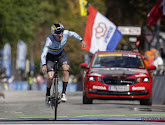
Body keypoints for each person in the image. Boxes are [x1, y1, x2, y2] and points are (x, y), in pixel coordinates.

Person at [41, 23, 87, 106]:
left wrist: (81, 40)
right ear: (53, 34)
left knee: (66, 70)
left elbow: (73, 34)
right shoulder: (49, 40)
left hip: (61, 54)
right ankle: (48, 95)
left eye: (62, 33)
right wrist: (44, 64)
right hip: (50, 57)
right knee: (50, 77)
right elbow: (43, 53)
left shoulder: (65, 33)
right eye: (58, 34)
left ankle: (63, 93)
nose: (61, 35)